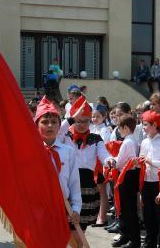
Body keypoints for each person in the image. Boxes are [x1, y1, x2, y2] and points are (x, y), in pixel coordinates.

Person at [57, 96, 111, 234]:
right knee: (66, 224)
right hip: (68, 183)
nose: (82, 125)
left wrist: (109, 160)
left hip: (86, 185)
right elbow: (58, 131)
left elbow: (103, 154)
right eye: (79, 121)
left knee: (81, 226)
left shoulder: (95, 138)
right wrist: (71, 118)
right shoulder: (65, 136)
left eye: (86, 121)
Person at [34, 97, 82, 246]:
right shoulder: (31, 152)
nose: (50, 125)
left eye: (54, 122)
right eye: (44, 122)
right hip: (37, 208)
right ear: (36, 125)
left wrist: (76, 208)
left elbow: (74, 182)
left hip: (62, 208)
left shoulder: (68, 152)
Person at [109, 114, 140, 248]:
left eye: (120, 128)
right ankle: (127, 236)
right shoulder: (131, 140)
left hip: (127, 176)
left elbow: (121, 161)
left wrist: (112, 161)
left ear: (126, 128)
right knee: (125, 208)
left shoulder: (128, 142)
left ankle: (134, 239)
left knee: (128, 209)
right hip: (128, 175)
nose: (118, 131)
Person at [136, 110, 160, 248]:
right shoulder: (144, 141)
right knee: (147, 214)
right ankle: (149, 242)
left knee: (159, 215)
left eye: (146, 124)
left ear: (155, 125)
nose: (143, 127)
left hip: (158, 182)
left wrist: (150, 161)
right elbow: (142, 159)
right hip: (146, 181)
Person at [90, 104, 112, 227]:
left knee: (102, 191)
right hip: (93, 164)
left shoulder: (105, 130)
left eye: (97, 116)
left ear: (104, 117)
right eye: (93, 116)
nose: (94, 119)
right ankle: (98, 215)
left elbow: (105, 147)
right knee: (97, 191)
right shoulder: (93, 128)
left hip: (101, 164)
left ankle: (102, 217)